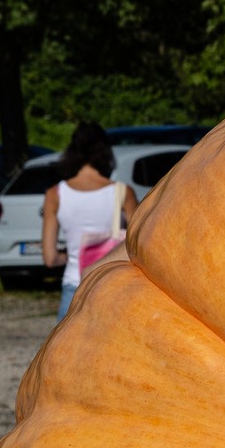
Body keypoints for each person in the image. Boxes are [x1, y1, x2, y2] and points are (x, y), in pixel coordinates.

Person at [41, 122, 132, 321]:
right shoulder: (123, 192)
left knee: (65, 351)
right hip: (113, 285)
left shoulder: (55, 194)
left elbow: (50, 258)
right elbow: (138, 247)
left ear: (72, 152)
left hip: (74, 284)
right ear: (106, 153)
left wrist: (74, 255)